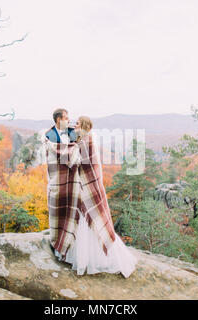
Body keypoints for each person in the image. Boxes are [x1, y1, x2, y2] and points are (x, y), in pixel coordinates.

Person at [47, 114, 138, 278]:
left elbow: (76, 161)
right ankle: (75, 255)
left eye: (78, 123)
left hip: (87, 188)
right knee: (80, 220)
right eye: (75, 123)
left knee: (89, 221)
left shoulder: (86, 141)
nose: (75, 125)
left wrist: (56, 147)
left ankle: (92, 259)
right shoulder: (80, 140)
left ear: (85, 126)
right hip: (81, 189)